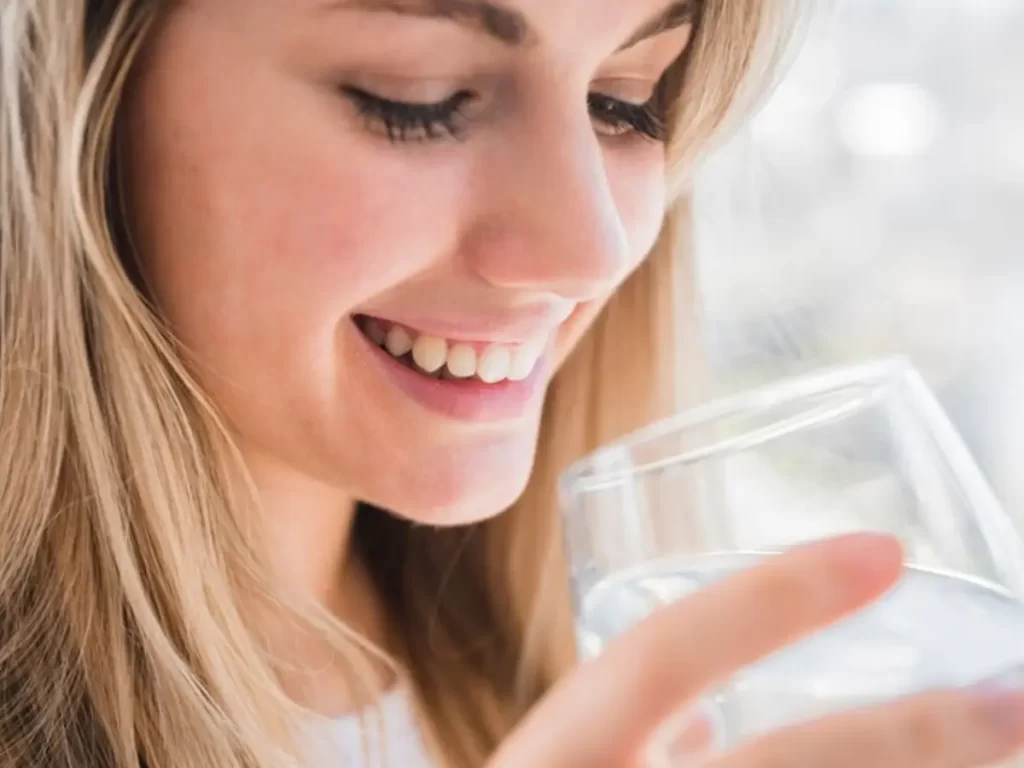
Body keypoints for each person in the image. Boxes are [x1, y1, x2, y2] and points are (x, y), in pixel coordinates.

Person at [2, 1, 1024, 766]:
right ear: (76, 95)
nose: (590, 249)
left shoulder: (605, 681)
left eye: (624, 102)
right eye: (420, 100)